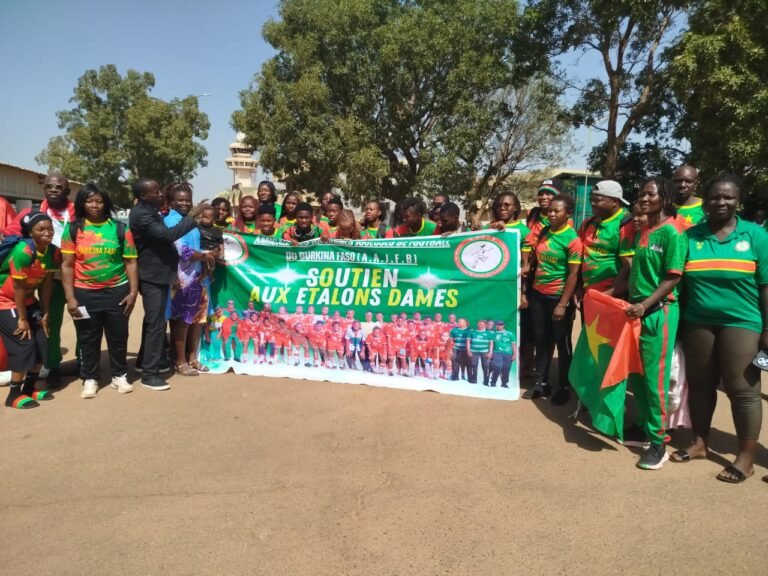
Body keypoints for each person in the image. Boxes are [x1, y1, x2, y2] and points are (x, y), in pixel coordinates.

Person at [673, 174, 767, 483]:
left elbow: (766, 286)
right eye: (715, 197)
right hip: (698, 321)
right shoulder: (690, 236)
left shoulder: (755, 235)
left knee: (743, 390)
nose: (721, 202)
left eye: (728, 197)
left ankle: (746, 458)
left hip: (742, 321)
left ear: (739, 201)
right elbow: (678, 281)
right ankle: (700, 443)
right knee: (700, 385)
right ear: (706, 201)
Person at [625, 176, 685, 470]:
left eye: (651, 194)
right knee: (637, 375)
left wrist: (645, 304)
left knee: (655, 380)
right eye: (642, 194)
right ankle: (643, 427)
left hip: (658, 312)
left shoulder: (672, 232)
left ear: (665, 197)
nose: (644, 198)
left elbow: (673, 277)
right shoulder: (645, 230)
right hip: (637, 312)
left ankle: (659, 443)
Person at [61, 183, 138, 398]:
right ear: (82, 204)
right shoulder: (73, 229)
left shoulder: (120, 229)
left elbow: (131, 262)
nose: (94, 205)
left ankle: (119, 375)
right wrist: (70, 297)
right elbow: (67, 265)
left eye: (99, 201)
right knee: (87, 337)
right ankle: (90, 378)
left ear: (106, 203)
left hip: (117, 292)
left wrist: (133, 292)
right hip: (84, 293)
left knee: (118, 336)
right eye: (89, 201)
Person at [129, 178, 205, 390]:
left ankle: (146, 362)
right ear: (143, 196)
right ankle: (149, 374)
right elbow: (168, 236)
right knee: (157, 323)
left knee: (155, 322)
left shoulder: (150, 211)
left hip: (162, 274)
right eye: (155, 191)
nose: (160, 194)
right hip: (154, 275)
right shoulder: (143, 214)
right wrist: (192, 216)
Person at [5, 172, 75, 389]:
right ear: (44, 189)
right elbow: (10, 236)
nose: (53, 189)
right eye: (49, 186)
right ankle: (52, 366)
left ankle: (85, 363)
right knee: (50, 322)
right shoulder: (31, 213)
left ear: (67, 190)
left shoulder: (77, 212)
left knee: (84, 322)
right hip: (49, 277)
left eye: (59, 187)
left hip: (77, 276)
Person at [524, 195, 581, 405]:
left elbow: (573, 274)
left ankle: (564, 386)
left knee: (562, 342)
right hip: (538, 294)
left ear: (568, 214)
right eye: (550, 211)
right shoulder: (544, 232)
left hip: (558, 296)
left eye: (557, 211)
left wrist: (562, 304)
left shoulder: (573, 240)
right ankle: (541, 382)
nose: (552, 214)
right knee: (542, 339)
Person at [0, 212, 59, 408]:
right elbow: (18, 287)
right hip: (6, 301)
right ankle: (13, 394)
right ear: (30, 233)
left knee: (42, 340)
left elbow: (47, 284)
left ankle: (29, 388)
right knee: (23, 342)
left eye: (49, 229)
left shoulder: (51, 252)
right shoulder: (23, 251)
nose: (47, 233)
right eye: (40, 229)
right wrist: (22, 318)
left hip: (28, 300)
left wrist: (45, 313)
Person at [165, 183, 214, 377]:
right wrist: (205, 257)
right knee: (183, 320)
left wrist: (204, 264)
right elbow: (181, 249)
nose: (184, 203)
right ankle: (180, 361)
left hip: (198, 276)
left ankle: (193, 357)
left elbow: (196, 245)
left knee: (197, 319)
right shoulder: (170, 220)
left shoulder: (190, 220)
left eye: (188, 200)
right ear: (172, 201)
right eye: (180, 200)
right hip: (182, 277)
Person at [579, 180, 634, 295]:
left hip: (611, 296)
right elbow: (579, 258)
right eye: (591, 200)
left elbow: (629, 266)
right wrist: (578, 287)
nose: (592, 203)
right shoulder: (588, 223)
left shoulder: (626, 224)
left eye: (598, 200)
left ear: (615, 201)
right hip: (587, 294)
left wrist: (608, 295)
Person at [672, 165, 705, 230]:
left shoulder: (706, 207)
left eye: (688, 181)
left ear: (696, 184)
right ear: (673, 182)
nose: (682, 185)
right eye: (679, 181)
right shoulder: (664, 207)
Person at [467, 320, 493, 385]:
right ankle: (474, 379)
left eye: (482, 324)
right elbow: (468, 342)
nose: (480, 325)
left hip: (484, 352)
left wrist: (490, 352)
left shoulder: (488, 333)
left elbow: (491, 344)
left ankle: (486, 381)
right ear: (477, 325)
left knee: (486, 366)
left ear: (485, 325)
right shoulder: (472, 332)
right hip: (474, 351)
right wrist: (468, 351)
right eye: (479, 324)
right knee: (474, 365)